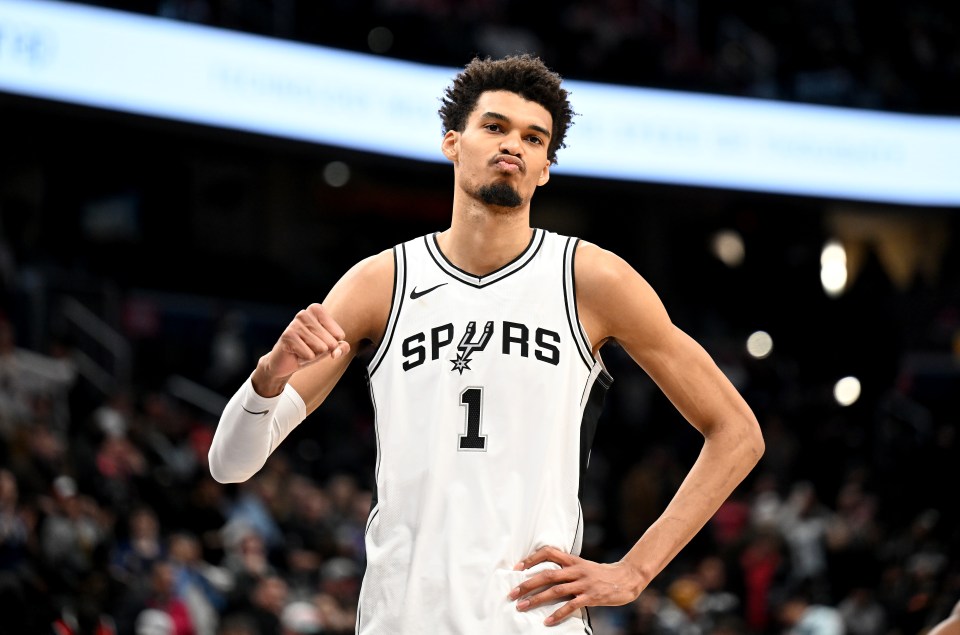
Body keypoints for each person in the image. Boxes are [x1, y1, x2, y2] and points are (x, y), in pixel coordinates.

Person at [208, 53, 764, 633]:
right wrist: (270, 375)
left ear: (545, 167)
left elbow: (738, 434)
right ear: (453, 142)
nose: (513, 146)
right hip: (402, 619)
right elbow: (230, 465)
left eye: (533, 138)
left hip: (533, 623)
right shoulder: (381, 283)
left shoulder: (591, 280)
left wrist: (634, 572)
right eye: (494, 127)